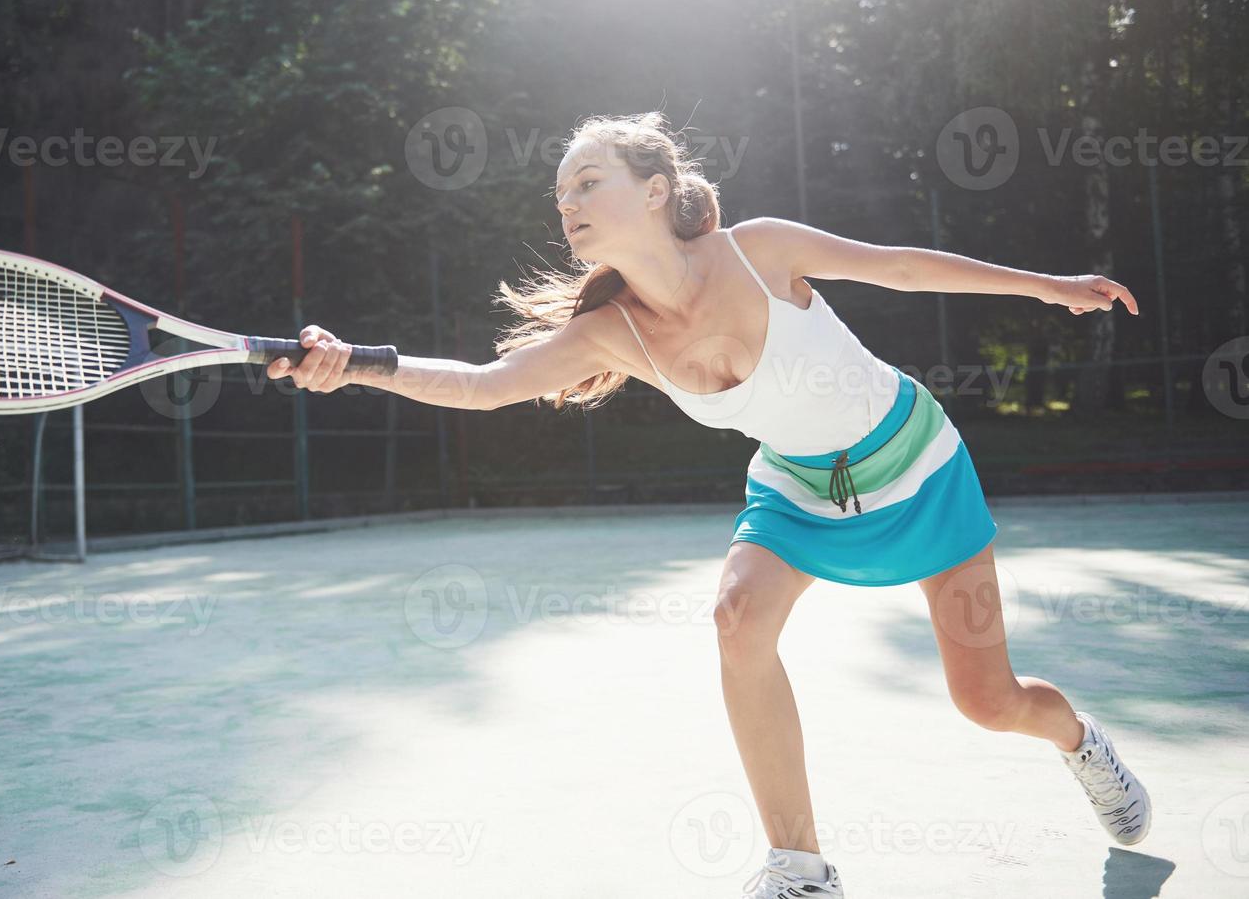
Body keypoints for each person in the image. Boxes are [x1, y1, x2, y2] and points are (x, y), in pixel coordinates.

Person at [265, 112, 1150, 897]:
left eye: (586, 181)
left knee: (988, 703)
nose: (565, 202)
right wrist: (358, 365)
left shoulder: (758, 249)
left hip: (918, 468)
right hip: (796, 491)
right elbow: (486, 386)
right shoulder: (611, 332)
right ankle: (801, 872)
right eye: (558, 191)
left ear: (656, 190)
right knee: (735, 619)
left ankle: (1080, 743)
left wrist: (1048, 286)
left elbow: (901, 268)